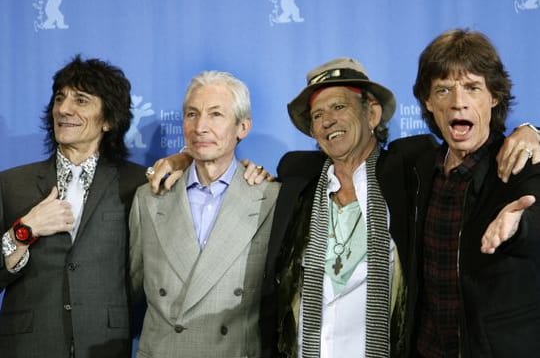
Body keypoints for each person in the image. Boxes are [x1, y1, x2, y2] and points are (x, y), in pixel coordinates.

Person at [147, 58, 540, 358]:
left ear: (371, 114)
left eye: (339, 108)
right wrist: (183, 158)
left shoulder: (411, 166)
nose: (327, 121)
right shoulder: (296, 172)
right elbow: (218, 158)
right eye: (317, 115)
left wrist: (531, 132)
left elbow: (476, 142)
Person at [400, 28, 540, 357]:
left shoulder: (522, 162)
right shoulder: (415, 165)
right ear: (428, 102)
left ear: (494, 96)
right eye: (444, 90)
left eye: (472, 88)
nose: (458, 102)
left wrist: (520, 227)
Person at [0, 56, 146, 357]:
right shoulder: (11, 183)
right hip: (28, 346)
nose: (64, 109)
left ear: (108, 120)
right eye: (59, 98)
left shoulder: (138, 183)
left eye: (81, 100)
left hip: (104, 344)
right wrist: (25, 231)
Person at [129, 70, 280, 357]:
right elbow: (127, 292)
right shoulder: (148, 199)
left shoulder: (270, 199)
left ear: (243, 127)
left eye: (216, 115)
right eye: (191, 114)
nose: (200, 127)